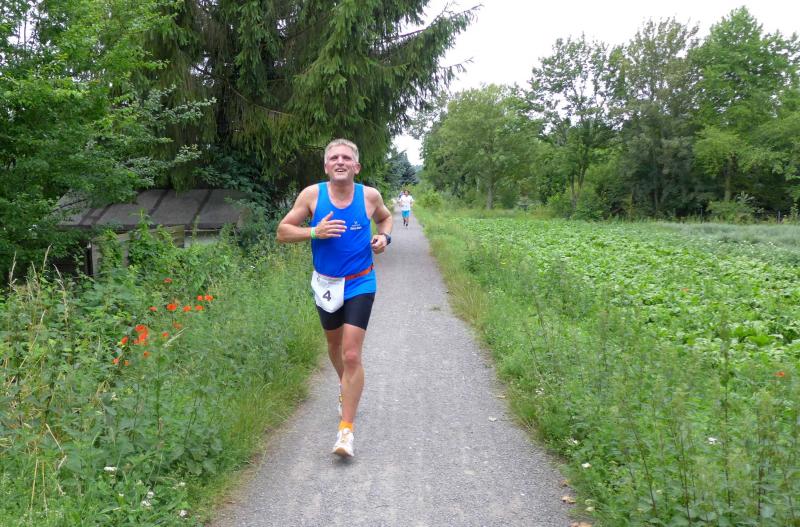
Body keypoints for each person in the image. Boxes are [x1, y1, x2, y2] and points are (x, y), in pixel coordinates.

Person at [276, 138, 393, 458]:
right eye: (334, 158)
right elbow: (283, 231)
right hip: (326, 284)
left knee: (351, 353)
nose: (340, 161)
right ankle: (346, 387)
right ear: (326, 166)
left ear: (357, 166)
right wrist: (314, 231)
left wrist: (384, 237)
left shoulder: (369, 196)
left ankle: (346, 431)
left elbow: (385, 218)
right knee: (334, 345)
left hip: (360, 282)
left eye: (346, 158)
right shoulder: (312, 195)